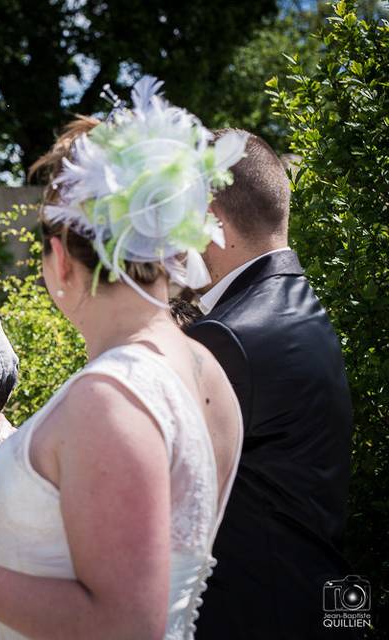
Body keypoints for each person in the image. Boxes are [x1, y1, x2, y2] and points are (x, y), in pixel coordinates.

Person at [0, 77, 245, 639]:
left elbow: (125, 623)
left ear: (60, 260)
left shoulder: (109, 399)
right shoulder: (206, 370)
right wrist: (8, 452)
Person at [187, 130, 355, 639]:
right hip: (313, 600)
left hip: (252, 617)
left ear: (212, 221)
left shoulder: (229, 337)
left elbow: (137, 481)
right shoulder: (295, 304)